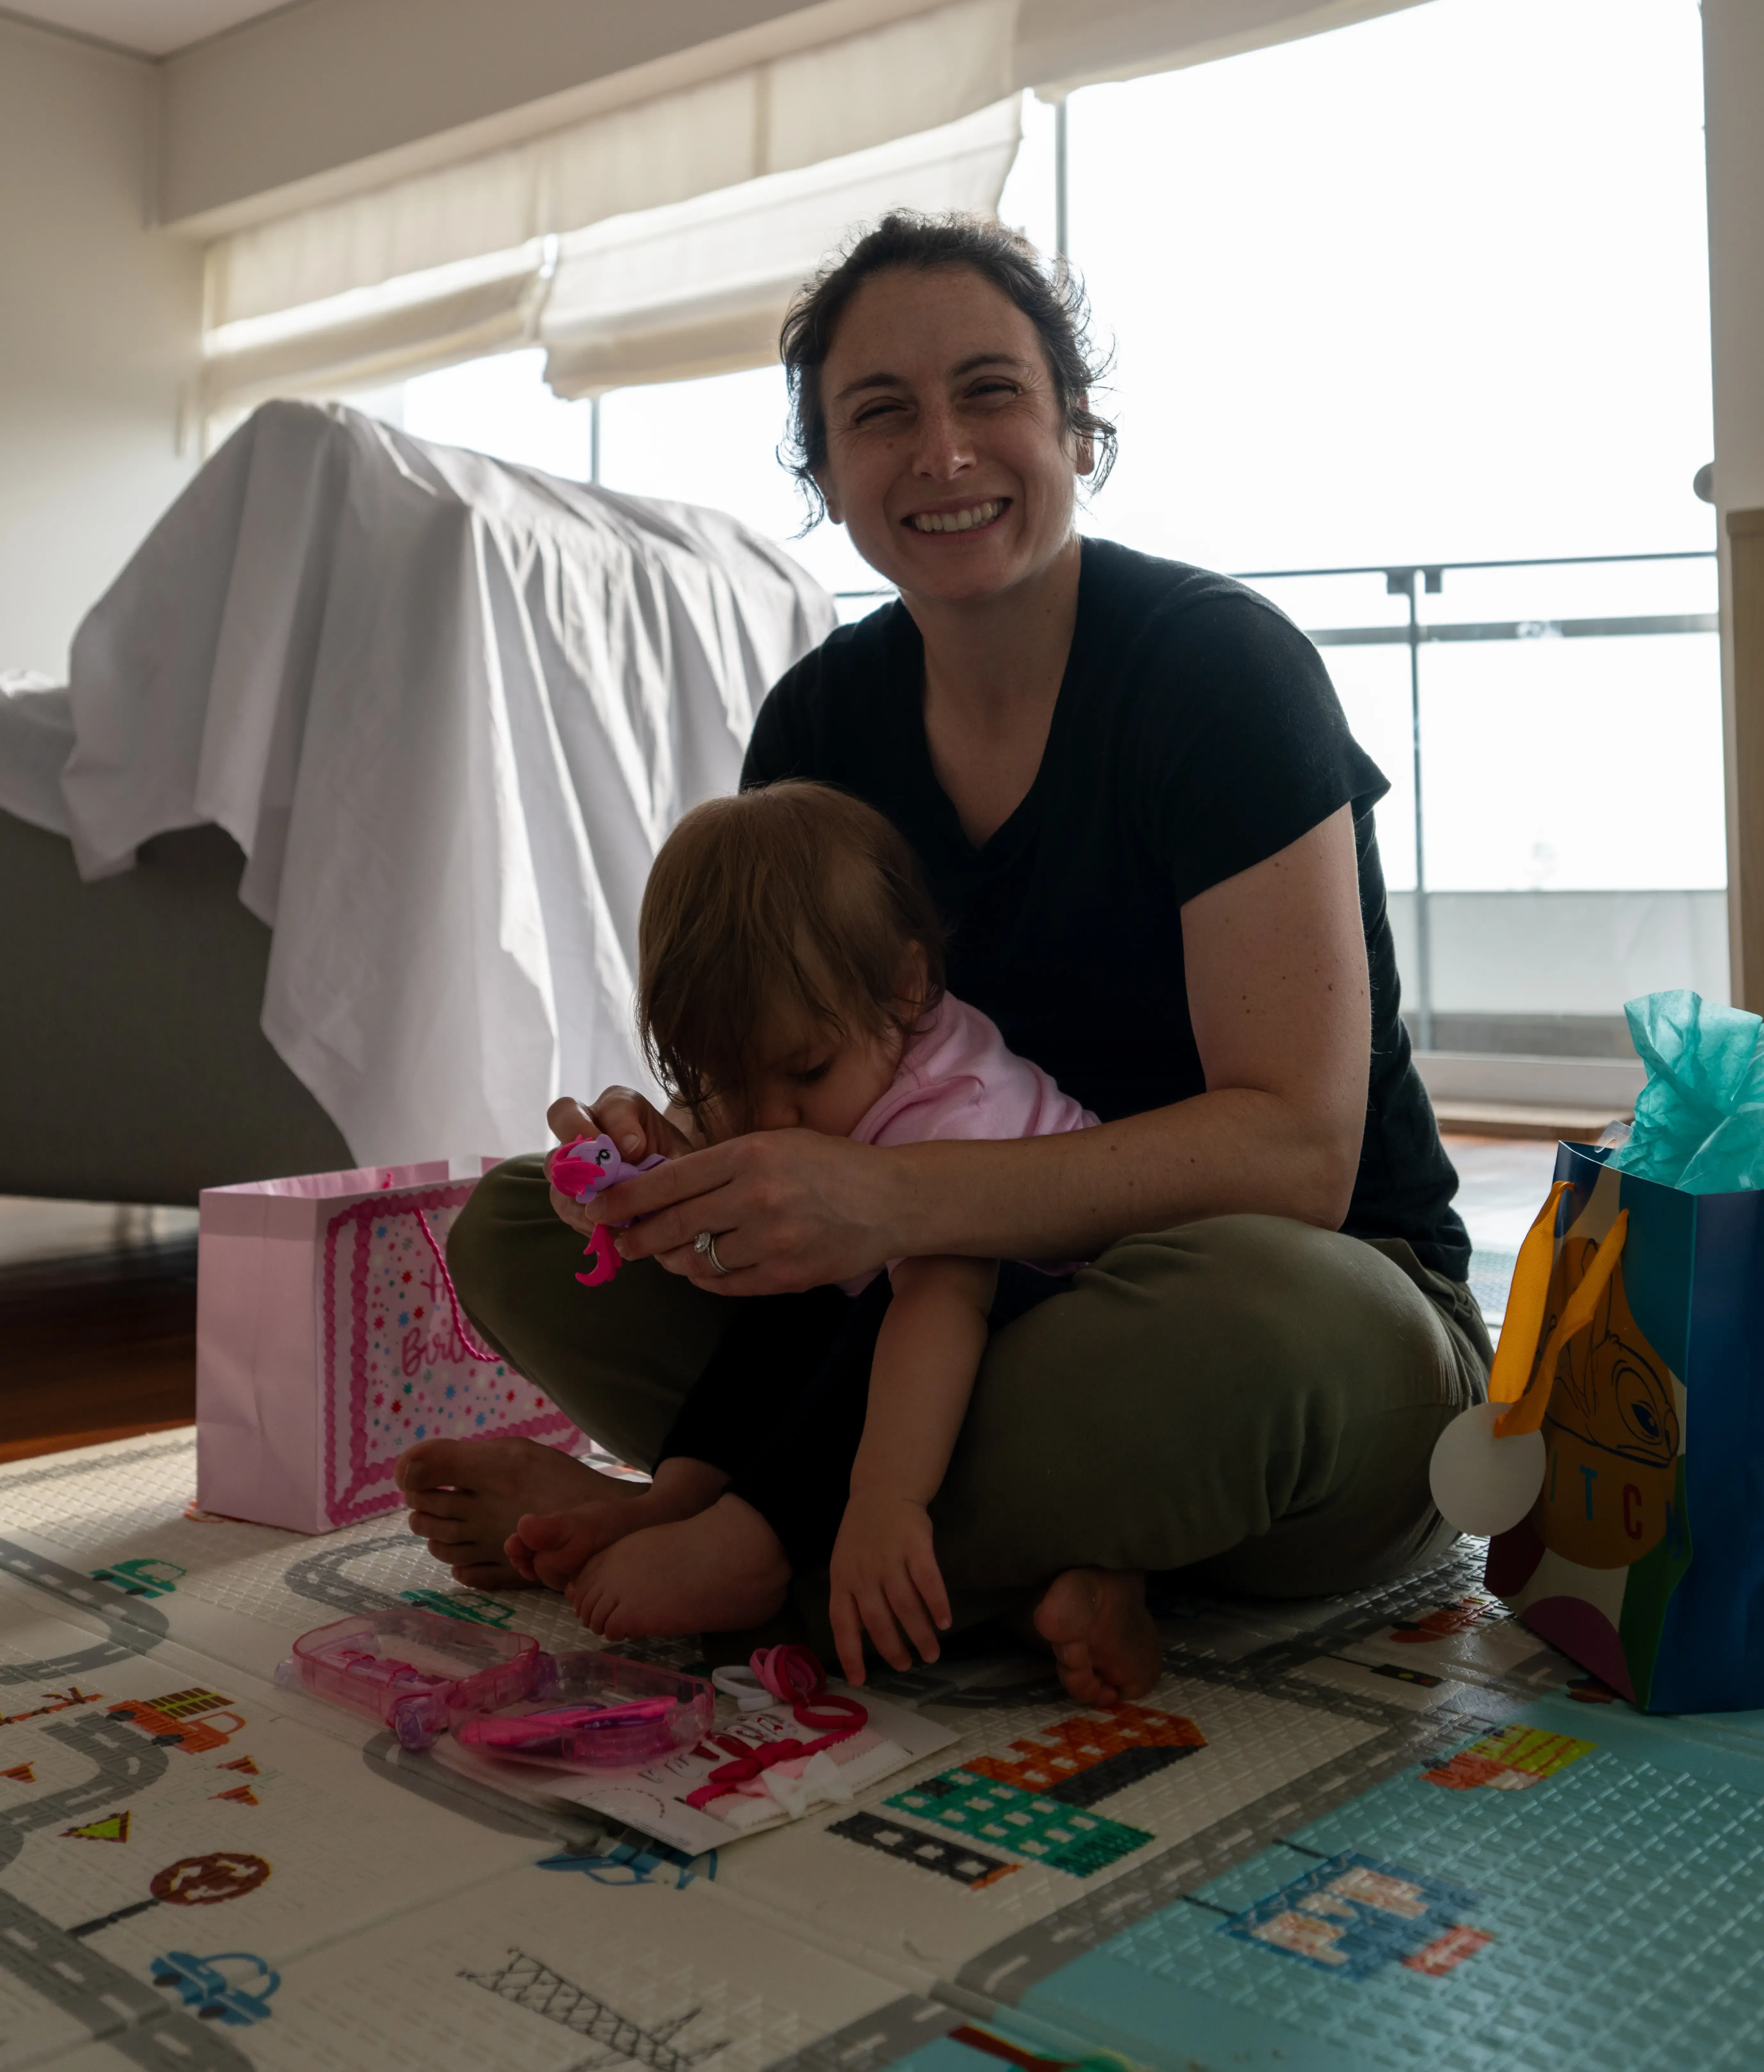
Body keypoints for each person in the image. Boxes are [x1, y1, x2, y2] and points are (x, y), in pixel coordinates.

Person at [398, 210, 1490, 1710]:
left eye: (989, 392)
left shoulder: (1214, 674)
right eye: (879, 414)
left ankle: (735, 1544)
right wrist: (701, 1154)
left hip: (1273, 1306)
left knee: (1282, 1329)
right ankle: (1017, 1552)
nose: (941, 450)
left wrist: (884, 1199)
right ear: (827, 474)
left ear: (1074, 429)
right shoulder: (819, 733)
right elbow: (806, 1093)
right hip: (918, 1322)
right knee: (526, 1224)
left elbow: (1297, 1156)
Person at [515, 778, 1104, 1689]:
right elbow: (723, 1145)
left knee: (871, 1326)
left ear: (907, 988)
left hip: (1049, 1319)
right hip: (895, 1296)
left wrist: (885, 1502)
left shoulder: (952, 1108)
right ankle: (684, 1493)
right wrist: (641, 1163)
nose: (770, 1119)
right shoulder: (801, 1061)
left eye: (806, 1072)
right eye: (720, 1081)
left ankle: (760, 1544)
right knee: (777, 1278)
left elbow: (941, 1306)